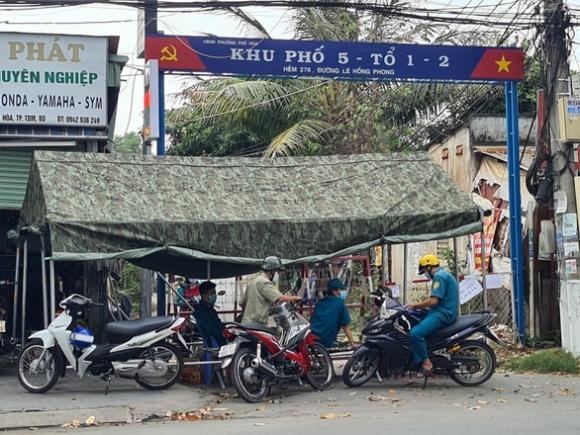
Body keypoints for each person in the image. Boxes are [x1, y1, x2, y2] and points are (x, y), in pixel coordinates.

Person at [406, 254, 459, 377]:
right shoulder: (445, 274)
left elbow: (433, 301)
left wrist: (415, 306)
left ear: (429, 267)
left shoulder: (439, 276)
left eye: (425, 270)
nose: (425, 274)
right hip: (442, 311)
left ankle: (427, 363)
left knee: (415, 333)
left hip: (442, 314)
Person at [241, 256, 302, 326]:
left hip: (246, 322)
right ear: (272, 271)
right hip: (256, 324)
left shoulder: (253, 281)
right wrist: (295, 298)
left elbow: (242, 303)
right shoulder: (264, 282)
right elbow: (280, 298)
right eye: (277, 271)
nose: (278, 274)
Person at [310, 278, 358, 348]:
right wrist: (352, 343)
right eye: (341, 290)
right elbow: (345, 326)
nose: (343, 292)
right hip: (327, 341)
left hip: (312, 339)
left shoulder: (320, 303)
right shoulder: (339, 303)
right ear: (334, 291)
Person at [193, 281, 226, 346]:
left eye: (215, 293)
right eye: (212, 293)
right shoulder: (201, 311)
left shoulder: (210, 308)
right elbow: (212, 330)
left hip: (220, 340)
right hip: (216, 344)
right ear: (204, 295)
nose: (215, 295)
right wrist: (224, 334)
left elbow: (219, 324)